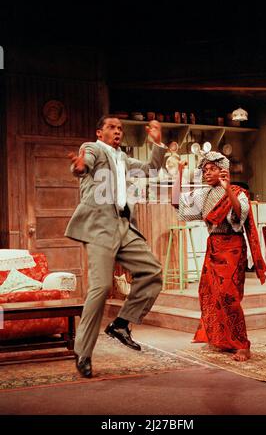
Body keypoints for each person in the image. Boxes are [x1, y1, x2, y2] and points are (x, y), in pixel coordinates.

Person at [65, 115, 167, 377]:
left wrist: (157, 145)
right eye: (111, 127)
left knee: (153, 272)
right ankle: (83, 352)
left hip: (124, 226)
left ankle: (121, 324)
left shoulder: (123, 159)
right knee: (101, 288)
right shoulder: (93, 148)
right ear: (100, 132)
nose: (117, 131)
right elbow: (83, 164)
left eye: (120, 128)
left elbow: (151, 171)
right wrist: (78, 166)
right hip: (100, 227)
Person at [172, 151, 266, 362]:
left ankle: (242, 344)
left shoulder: (237, 191)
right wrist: (178, 174)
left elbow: (238, 214)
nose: (207, 173)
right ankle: (223, 340)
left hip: (232, 247)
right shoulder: (203, 194)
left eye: (212, 169)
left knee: (228, 295)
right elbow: (178, 205)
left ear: (223, 170)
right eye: (204, 170)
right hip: (213, 246)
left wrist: (227, 189)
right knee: (210, 293)